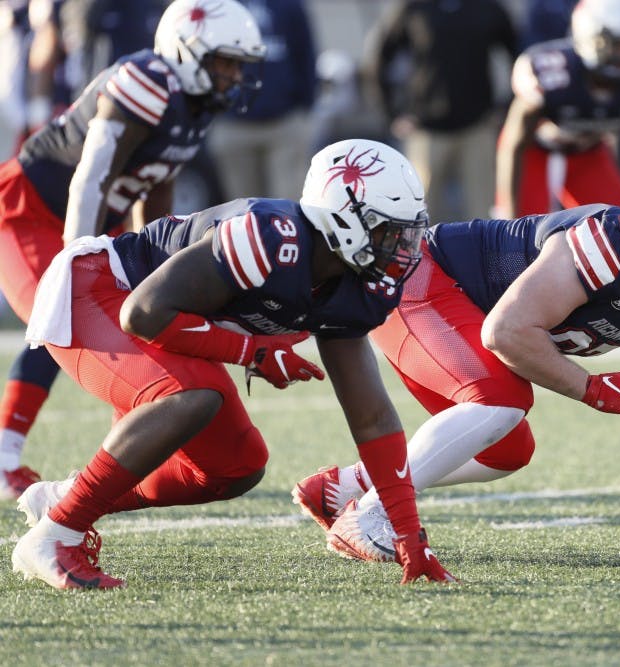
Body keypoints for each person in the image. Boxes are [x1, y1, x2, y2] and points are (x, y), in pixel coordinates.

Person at [292, 142, 620, 563]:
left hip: (457, 309)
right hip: (421, 282)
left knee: (509, 447)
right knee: (502, 399)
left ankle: (347, 488)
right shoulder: (611, 244)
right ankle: (372, 517)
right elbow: (506, 333)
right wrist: (589, 388)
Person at [10, 138, 455, 589]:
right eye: (387, 232)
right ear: (341, 219)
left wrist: (408, 538)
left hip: (160, 322)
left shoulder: (353, 286)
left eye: (407, 232)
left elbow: (373, 418)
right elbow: (143, 313)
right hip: (98, 287)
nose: (402, 248)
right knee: (190, 396)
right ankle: (56, 537)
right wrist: (252, 353)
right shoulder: (269, 238)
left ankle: (66, 499)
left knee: (235, 466)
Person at [0, 0, 265, 500]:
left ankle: (121, 455)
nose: (233, 74)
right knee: (57, 315)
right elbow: (92, 176)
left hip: (100, 218)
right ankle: (4, 457)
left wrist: (155, 271)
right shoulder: (146, 81)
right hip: (31, 210)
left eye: (238, 64)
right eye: (224, 61)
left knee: (137, 327)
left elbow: (156, 188)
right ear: (188, 51)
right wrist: (75, 255)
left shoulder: (195, 102)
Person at [494, 0, 620, 219]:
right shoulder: (551, 72)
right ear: (588, 37)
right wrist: (509, 214)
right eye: (618, 44)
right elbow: (513, 144)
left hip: (589, 154)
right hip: (533, 153)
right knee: (523, 233)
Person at [361, 0, 518, 224]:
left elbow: (518, 52)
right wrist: (392, 113)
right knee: (419, 213)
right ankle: (421, 260)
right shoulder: (414, 7)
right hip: (427, 129)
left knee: (485, 214)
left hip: (477, 126)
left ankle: (484, 260)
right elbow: (379, 58)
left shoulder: (487, 8)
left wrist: (506, 107)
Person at [207, 0, 318, 202]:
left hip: (283, 122)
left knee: (288, 209)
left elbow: (306, 52)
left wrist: (305, 106)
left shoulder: (289, 5)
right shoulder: (220, 5)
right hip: (233, 123)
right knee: (242, 213)